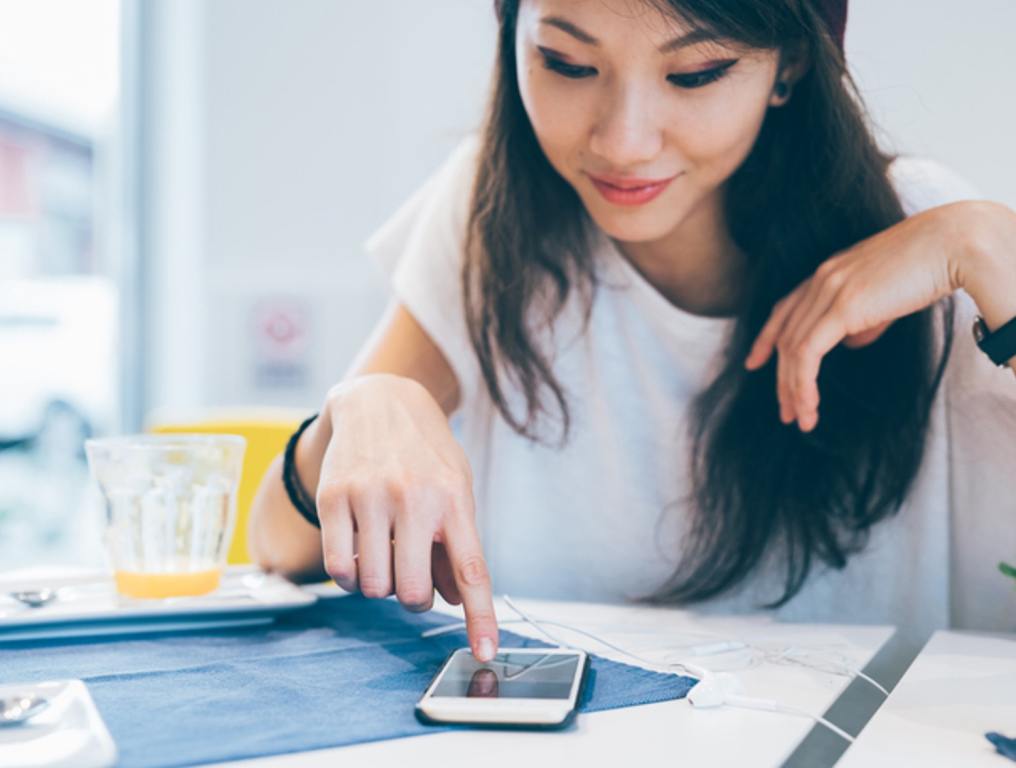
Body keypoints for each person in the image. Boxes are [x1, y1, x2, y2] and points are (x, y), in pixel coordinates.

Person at [249, 0, 1016, 665]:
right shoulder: (494, 218)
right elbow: (278, 547)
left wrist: (992, 249)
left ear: (788, 67)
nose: (623, 140)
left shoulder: (930, 247)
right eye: (567, 62)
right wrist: (357, 411)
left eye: (694, 74)